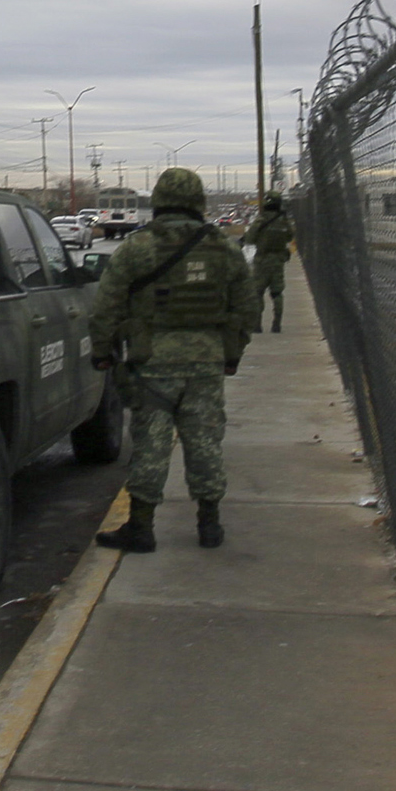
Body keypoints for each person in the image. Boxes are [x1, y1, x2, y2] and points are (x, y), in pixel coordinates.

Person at [89, 167, 256, 552]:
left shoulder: (137, 247)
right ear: (198, 201)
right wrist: (232, 354)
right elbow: (246, 309)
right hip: (207, 362)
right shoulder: (224, 249)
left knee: (151, 444)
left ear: (160, 200)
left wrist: (102, 353)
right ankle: (209, 525)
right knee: (205, 442)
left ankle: (142, 527)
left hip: (152, 364)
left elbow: (106, 307)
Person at [242, 192, 296, 334]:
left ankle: (257, 325)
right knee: (277, 293)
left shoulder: (261, 220)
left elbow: (250, 239)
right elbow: (290, 236)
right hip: (278, 260)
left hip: (262, 261)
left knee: (258, 293)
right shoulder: (283, 221)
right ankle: (276, 323)